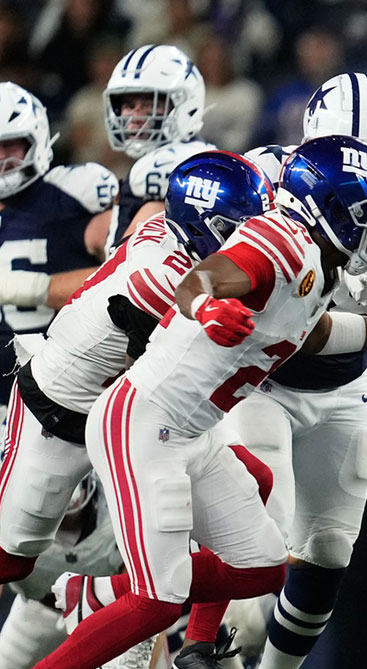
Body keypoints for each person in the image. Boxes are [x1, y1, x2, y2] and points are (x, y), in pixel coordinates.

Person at [31, 135, 367, 669]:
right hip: (145, 420)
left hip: (194, 430)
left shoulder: (320, 262)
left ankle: (144, 618)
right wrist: (207, 308)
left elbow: (314, 333)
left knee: (263, 567)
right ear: (327, 207)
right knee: (157, 598)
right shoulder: (281, 239)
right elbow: (202, 276)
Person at [227, 72, 367, 669]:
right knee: (259, 551)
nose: (362, 181)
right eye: (339, 161)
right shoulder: (264, 177)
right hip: (260, 379)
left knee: (326, 553)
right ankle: (205, 646)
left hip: (341, 387)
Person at [0, 151, 268, 593]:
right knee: (11, 558)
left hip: (132, 408)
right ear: (203, 227)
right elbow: (155, 374)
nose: (251, 243)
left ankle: (191, 636)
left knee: (253, 484)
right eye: (240, 230)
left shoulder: (169, 231)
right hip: (61, 410)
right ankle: (110, 597)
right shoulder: (160, 278)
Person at [0, 82, 117, 419]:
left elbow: (129, 272)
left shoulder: (74, 194)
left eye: (10, 146)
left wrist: (25, 288)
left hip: (62, 395)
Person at [84, 44, 216, 258]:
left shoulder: (179, 165)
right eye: (128, 105)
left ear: (184, 104)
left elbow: (126, 265)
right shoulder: (152, 163)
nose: (135, 116)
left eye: (149, 103)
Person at [0, 474, 131, 669]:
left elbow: (139, 588)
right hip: (37, 613)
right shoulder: (10, 516)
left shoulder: (118, 509)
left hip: (104, 617)